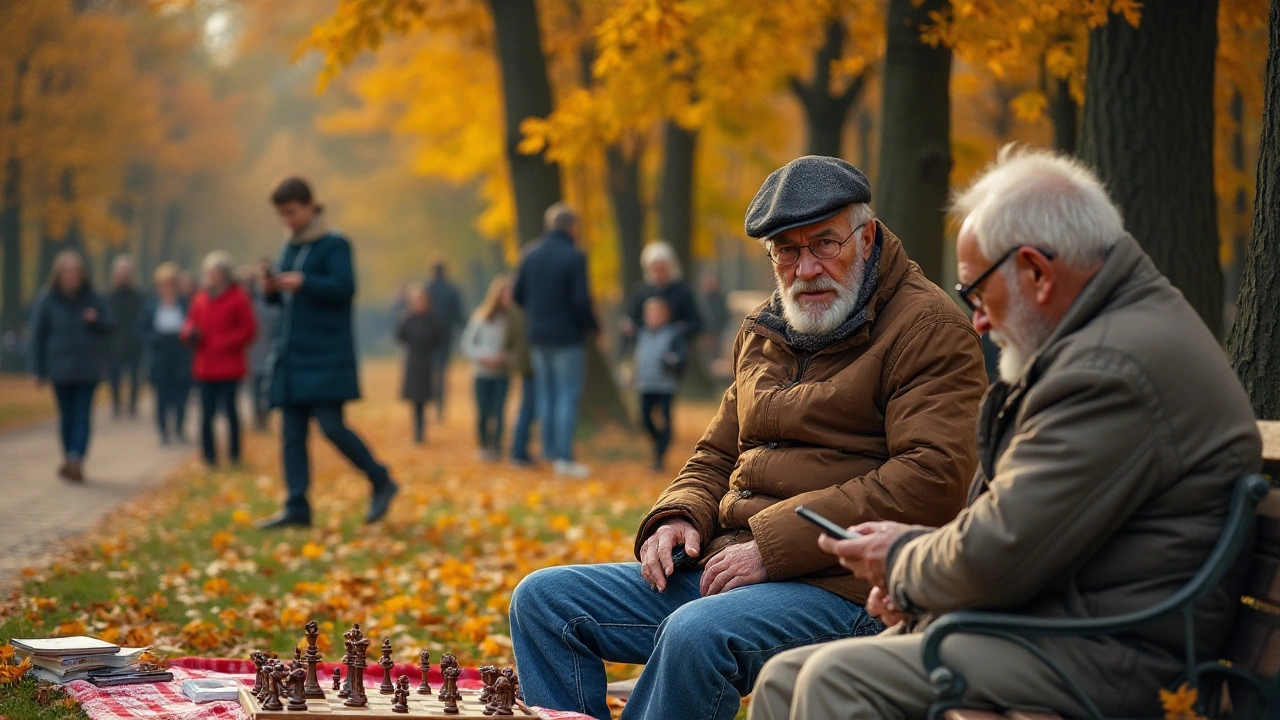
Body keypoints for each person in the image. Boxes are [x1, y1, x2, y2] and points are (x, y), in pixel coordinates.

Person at [748, 148, 1265, 720]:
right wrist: (918, 588)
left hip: (1109, 655)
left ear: (1037, 274)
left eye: (977, 292)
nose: (979, 321)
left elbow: (1003, 548)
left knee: (833, 679)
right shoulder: (1099, 342)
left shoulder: (1110, 370)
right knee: (784, 675)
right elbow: (1022, 532)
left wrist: (901, 561)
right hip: (1051, 623)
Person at [510, 156, 988, 720]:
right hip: (728, 569)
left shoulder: (928, 329)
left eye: (825, 243)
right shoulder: (766, 329)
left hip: (848, 588)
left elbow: (933, 480)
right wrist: (678, 516)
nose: (806, 267)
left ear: (869, 238)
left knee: (695, 635)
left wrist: (771, 546)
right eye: (787, 250)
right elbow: (715, 453)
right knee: (543, 602)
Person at [257, 176, 399, 529]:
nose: (287, 221)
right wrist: (270, 288)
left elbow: (345, 288)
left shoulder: (334, 244)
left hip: (325, 354)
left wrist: (304, 282)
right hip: (291, 354)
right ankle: (296, 506)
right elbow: (282, 301)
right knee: (291, 432)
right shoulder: (289, 246)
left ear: (309, 205)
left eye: (292, 212)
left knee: (332, 426)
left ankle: (380, 478)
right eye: (282, 215)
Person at [513, 204, 599, 479]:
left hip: (537, 335)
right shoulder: (575, 257)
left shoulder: (530, 254)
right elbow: (580, 300)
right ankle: (563, 456)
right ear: (572, 227)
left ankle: (549, 450)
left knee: (545, 394)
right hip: (567, 336)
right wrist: (592, 327)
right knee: (566, 395)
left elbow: (517, 294)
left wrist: (538, 312)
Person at [29, 250, 114, 482]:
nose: (71, 275)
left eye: (75, 271)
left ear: (82, 274)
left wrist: (96, 320)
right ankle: (69, 456)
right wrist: (37, 370)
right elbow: (37, 336)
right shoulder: (47, 299)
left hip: (88, 368)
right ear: (58, 274)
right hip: (59, 368)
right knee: (66, 416)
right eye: (67, 271)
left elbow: (110, 325)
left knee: (82, 415)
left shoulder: (93, 298)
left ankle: (76, 457)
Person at [182, 251, 256, 468]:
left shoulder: (238, 297)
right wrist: (189, 335)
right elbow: (188, 325)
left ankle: (234, 454)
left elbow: (249, 330)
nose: (211, 276)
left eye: (215, 272)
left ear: (225, 274)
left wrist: (224, 341)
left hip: (230, 366)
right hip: (205, 366)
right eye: (208, 272)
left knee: (231, 412)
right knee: (206, 413)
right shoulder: (200, 299)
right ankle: (209, 456)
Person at [137, 262, 193, 444]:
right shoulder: (151, 305)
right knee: (161, 397)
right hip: (160, 357)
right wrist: (155, 338)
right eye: (165, 283)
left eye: (171, 283)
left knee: (181, 396)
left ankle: (179, 427)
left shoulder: (185, 304)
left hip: (181, 356)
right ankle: (163, 431)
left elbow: (195, 326)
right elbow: (140, 330)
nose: (168, 287)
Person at [461, 276, 514, 461]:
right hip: (482, 373)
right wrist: (483, 357)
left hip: (502, 373)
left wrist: (505, 358)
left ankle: (497, 447)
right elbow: (467, 343)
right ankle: (484, 446)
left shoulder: (514, 320)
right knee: (483, 411)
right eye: (505, 294)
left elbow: (518, 348)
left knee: (499, 411)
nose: (508, 298)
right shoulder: (481, 317)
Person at [633, 296, 686, 472]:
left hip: (665, 385)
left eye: (657, 313)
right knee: (644, 418)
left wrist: (673, 361)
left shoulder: (673, 334)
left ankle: (659, 456)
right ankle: (658, 443)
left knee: (664, 419)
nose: (653, 316)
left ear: (666, 315)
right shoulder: (642, 334)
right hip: (645, 384)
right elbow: (636, 356)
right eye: (649, 313)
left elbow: (681, 357)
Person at [396, 282, 448, 445]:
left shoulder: (433, 320)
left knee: (424, 398)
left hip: (427, 362)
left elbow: (439, 339)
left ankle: (422, 431)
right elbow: (400, 337)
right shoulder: (408, 319)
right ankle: (417, 432)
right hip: (412, 362)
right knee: (414, 400)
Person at [622, 241, 702, 344]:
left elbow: (696, 323)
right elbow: (632, 319)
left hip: (675, 346)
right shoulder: (641, 292)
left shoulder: (681, 291)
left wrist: (679, 330)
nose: (658, 273)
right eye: (654, 269)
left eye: (661, 269)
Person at [106, 255, 145, 418]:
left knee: (135, 376)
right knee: (114, 376)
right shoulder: (108, 297)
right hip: (114, 343)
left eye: (126, 272)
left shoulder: (140, 297)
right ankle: (116, 404)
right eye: (120, 272)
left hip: (134, 342)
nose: (123, 276)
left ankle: (132, 404)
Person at [427, 261, 465, 422]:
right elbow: (459, 316)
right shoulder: (451, 291)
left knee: (428, 373)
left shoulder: (427, 290)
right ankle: (440, 408)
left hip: (428, 338)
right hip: (445, 338)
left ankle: (430, 405)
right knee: (441, 374)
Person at [247, 258, 281, 432]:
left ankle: (265, 419)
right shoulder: (248, 298)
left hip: (270, 347)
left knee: (266, 388)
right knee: (253, 388)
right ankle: (257, 420)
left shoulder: (277, 298)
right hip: (252, 349)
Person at [506, 296, 537, 467]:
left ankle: (519, 449)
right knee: (529, 408)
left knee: (528, 407)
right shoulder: (525, 307)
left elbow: (509, 339)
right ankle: (518, 450)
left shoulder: (516, 308)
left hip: (526, 364)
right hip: (531, 364)